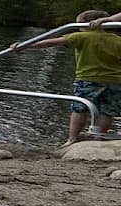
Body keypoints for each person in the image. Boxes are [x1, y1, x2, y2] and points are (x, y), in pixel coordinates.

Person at [11, 9, 121, 146]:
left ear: (85, 25)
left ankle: (72, 138)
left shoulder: (81, 36)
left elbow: (52, 42)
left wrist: (25, 46)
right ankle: (99, 137)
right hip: (115, 81)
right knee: (108, 111)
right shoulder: (117, 40)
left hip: (88, 78)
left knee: (79, 109)